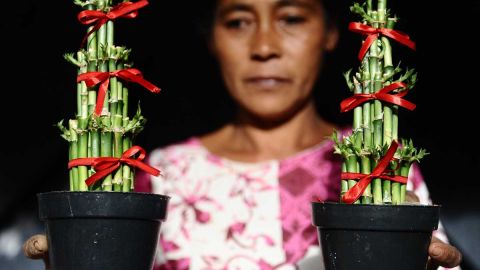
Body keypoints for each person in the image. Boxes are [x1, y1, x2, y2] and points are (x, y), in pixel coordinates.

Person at [24, 0, 463, 269]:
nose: (264, 46)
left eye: (291, 17)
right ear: (211, 38)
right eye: (237, 21)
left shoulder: (384, 165)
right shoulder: (161, 171)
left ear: (331, 33)